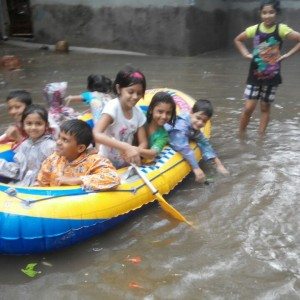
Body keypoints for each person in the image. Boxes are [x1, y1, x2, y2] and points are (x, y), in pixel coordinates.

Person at [234, 0, 300, 136]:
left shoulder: (281, 29)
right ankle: (240, 135)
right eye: (264, 13)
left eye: (271, 12)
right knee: (248, 108)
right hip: (255, 74)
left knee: (265, 107)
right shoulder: (254, 29)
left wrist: (287, 55)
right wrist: (245, 54)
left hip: (272, 75)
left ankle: (261, 137)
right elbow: (238, 39)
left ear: (276, 13)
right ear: (260, 14)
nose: (267, 16)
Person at [36, 119, 120, 190]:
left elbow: (114, 178)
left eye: (65, 140)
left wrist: (77, 180)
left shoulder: (94, 161)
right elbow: (42, 182)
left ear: (80, 148)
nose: (58, 142)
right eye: (59, 137)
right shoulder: (53, 159)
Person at [93, 66, 148, 168]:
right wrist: (125, 146)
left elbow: (143, 142)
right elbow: (96, 134)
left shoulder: (138, 113)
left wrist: (136, 150)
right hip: (105, 163)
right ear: (119, 89)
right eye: (131, 92)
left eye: (139, 93)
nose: (135, 97)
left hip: (125, 163)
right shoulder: (113, 107)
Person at [165, 99, 229, 183]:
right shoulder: (181, 126)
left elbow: (204, 143)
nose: (200, 123)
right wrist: (196, 168)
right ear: (191, 112)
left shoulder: (194, 127)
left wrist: (219, 165)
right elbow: (184, 148)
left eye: (204, 121)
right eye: (198, 118)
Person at [0, 104, 56, 186]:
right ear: (23, 125)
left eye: (38, 124)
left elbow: (55, 170)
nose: (33, 127)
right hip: (24, 183)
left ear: (46, 125)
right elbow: (19, 170)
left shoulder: (51, 146)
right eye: (29, 124)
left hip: (40, 186)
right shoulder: (24, 145)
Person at [139, 91, 176, 160]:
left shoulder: (163, 136)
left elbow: (152, 153)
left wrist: (133, 150)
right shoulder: (141, 116)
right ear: (151, 110)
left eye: (168, 113)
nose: (164, 116)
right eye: (160, 112)